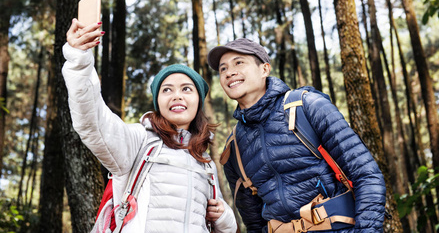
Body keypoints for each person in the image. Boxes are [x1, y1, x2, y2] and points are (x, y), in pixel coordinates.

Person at [62, 18, 237, 233]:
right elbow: (93, 122)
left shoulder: (205, 162)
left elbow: (220, 226)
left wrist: (225, 218)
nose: (176, 96)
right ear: (158, 102)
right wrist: (79, 59)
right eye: (167, 90)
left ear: (198, 102)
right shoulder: (139, 140)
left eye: (186, 89)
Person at [207, 38, 386, 233]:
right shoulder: (235, 147)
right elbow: (254, 223)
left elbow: (366, 175)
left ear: (264, 69)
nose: (229, 72)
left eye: (239, 62)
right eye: (223, 69)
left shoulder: (307, 106)